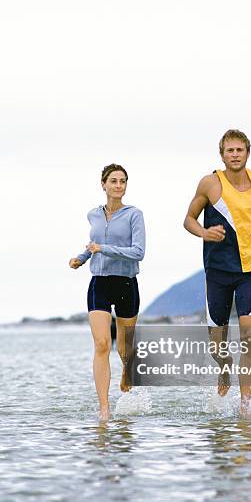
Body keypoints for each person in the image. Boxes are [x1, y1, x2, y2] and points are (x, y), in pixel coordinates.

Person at [183, 130, 251, 416]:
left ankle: (244, 406)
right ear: (222, 154)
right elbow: (188, 219)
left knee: (250, 337)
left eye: (240, 150)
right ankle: (224, 367)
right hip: (217, 274)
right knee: (218, 346)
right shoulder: (210, 184)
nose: (235, 154)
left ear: (248, 153)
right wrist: (204, 232)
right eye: (230, 150)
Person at [69, 164, 145, 421]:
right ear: (103, 184)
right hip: (99, 283)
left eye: (122, 181)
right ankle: (104, 408)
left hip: (126, 283)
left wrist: (104, 248)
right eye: (113, 181)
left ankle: (126, 370)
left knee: (125, 347)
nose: (118, 185)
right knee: (102, 344)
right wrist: (81, 257)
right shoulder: (93, 214)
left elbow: (139, 252)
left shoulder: (134, 215)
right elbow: (93, 245)